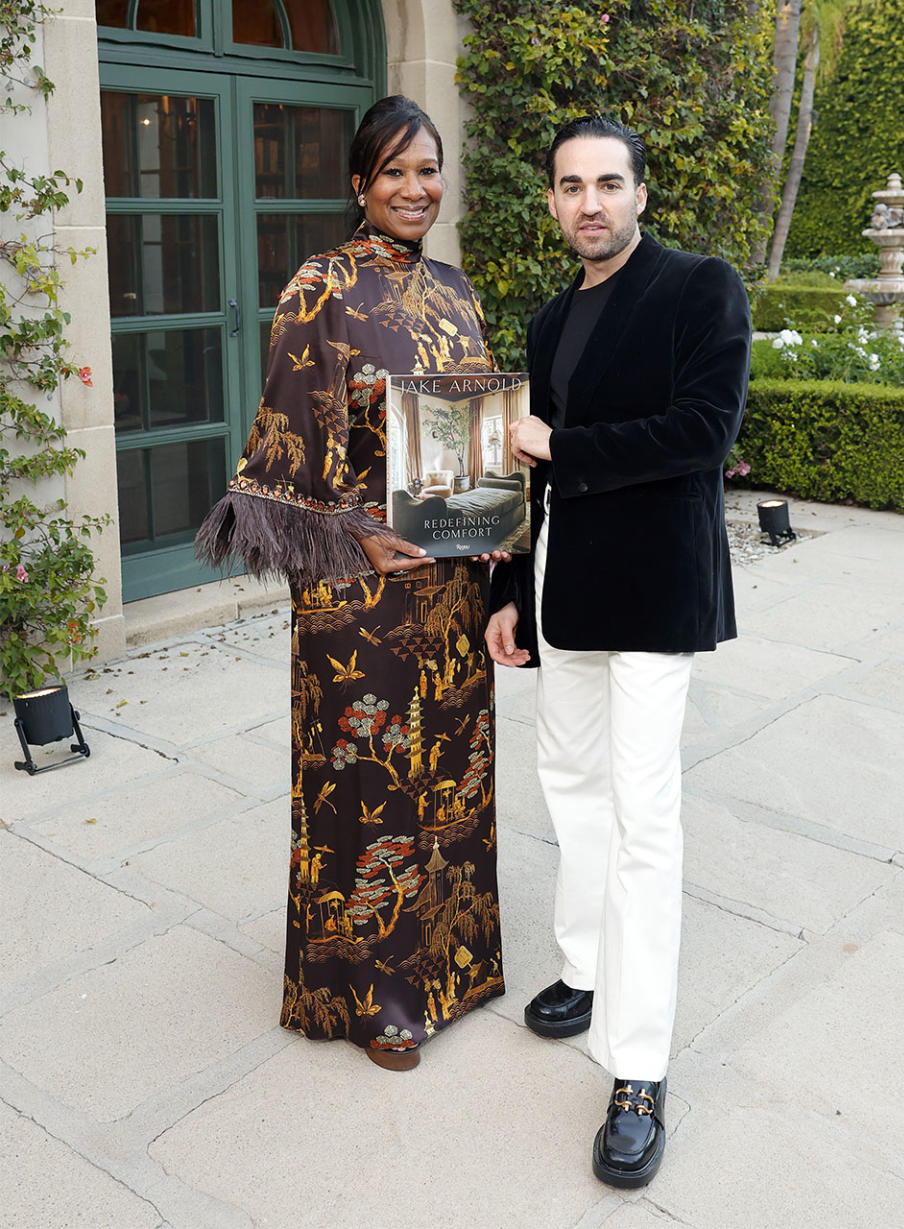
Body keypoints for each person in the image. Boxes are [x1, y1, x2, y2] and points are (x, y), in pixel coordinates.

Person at [198, 96, 505, 1071]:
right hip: (358, 588)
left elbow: (473, 430)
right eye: (394, 172)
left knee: (450, 777)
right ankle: (370, 996)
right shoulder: (320, 286)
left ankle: (453, 963)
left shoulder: (457, 289)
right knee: (367, 784)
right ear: (359, 185)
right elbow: (279, 457)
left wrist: (493, 515)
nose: (415, 189)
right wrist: (359, 534)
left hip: (451, 582)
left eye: (428, 169)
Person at [485, 115, 751, 1184]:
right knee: (571, 788)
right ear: (552, 203)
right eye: (570, 185)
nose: (589, 201)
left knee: (645, 819)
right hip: (566, 593)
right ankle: (590, 969)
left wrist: (567, 444)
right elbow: (525, 471)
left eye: (608, 182)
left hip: (654, 597)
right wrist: (508, 586)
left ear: (640, 194)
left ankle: (638, 1068)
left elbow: (705, 432)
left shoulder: (700, 287)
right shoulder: (552, 322)